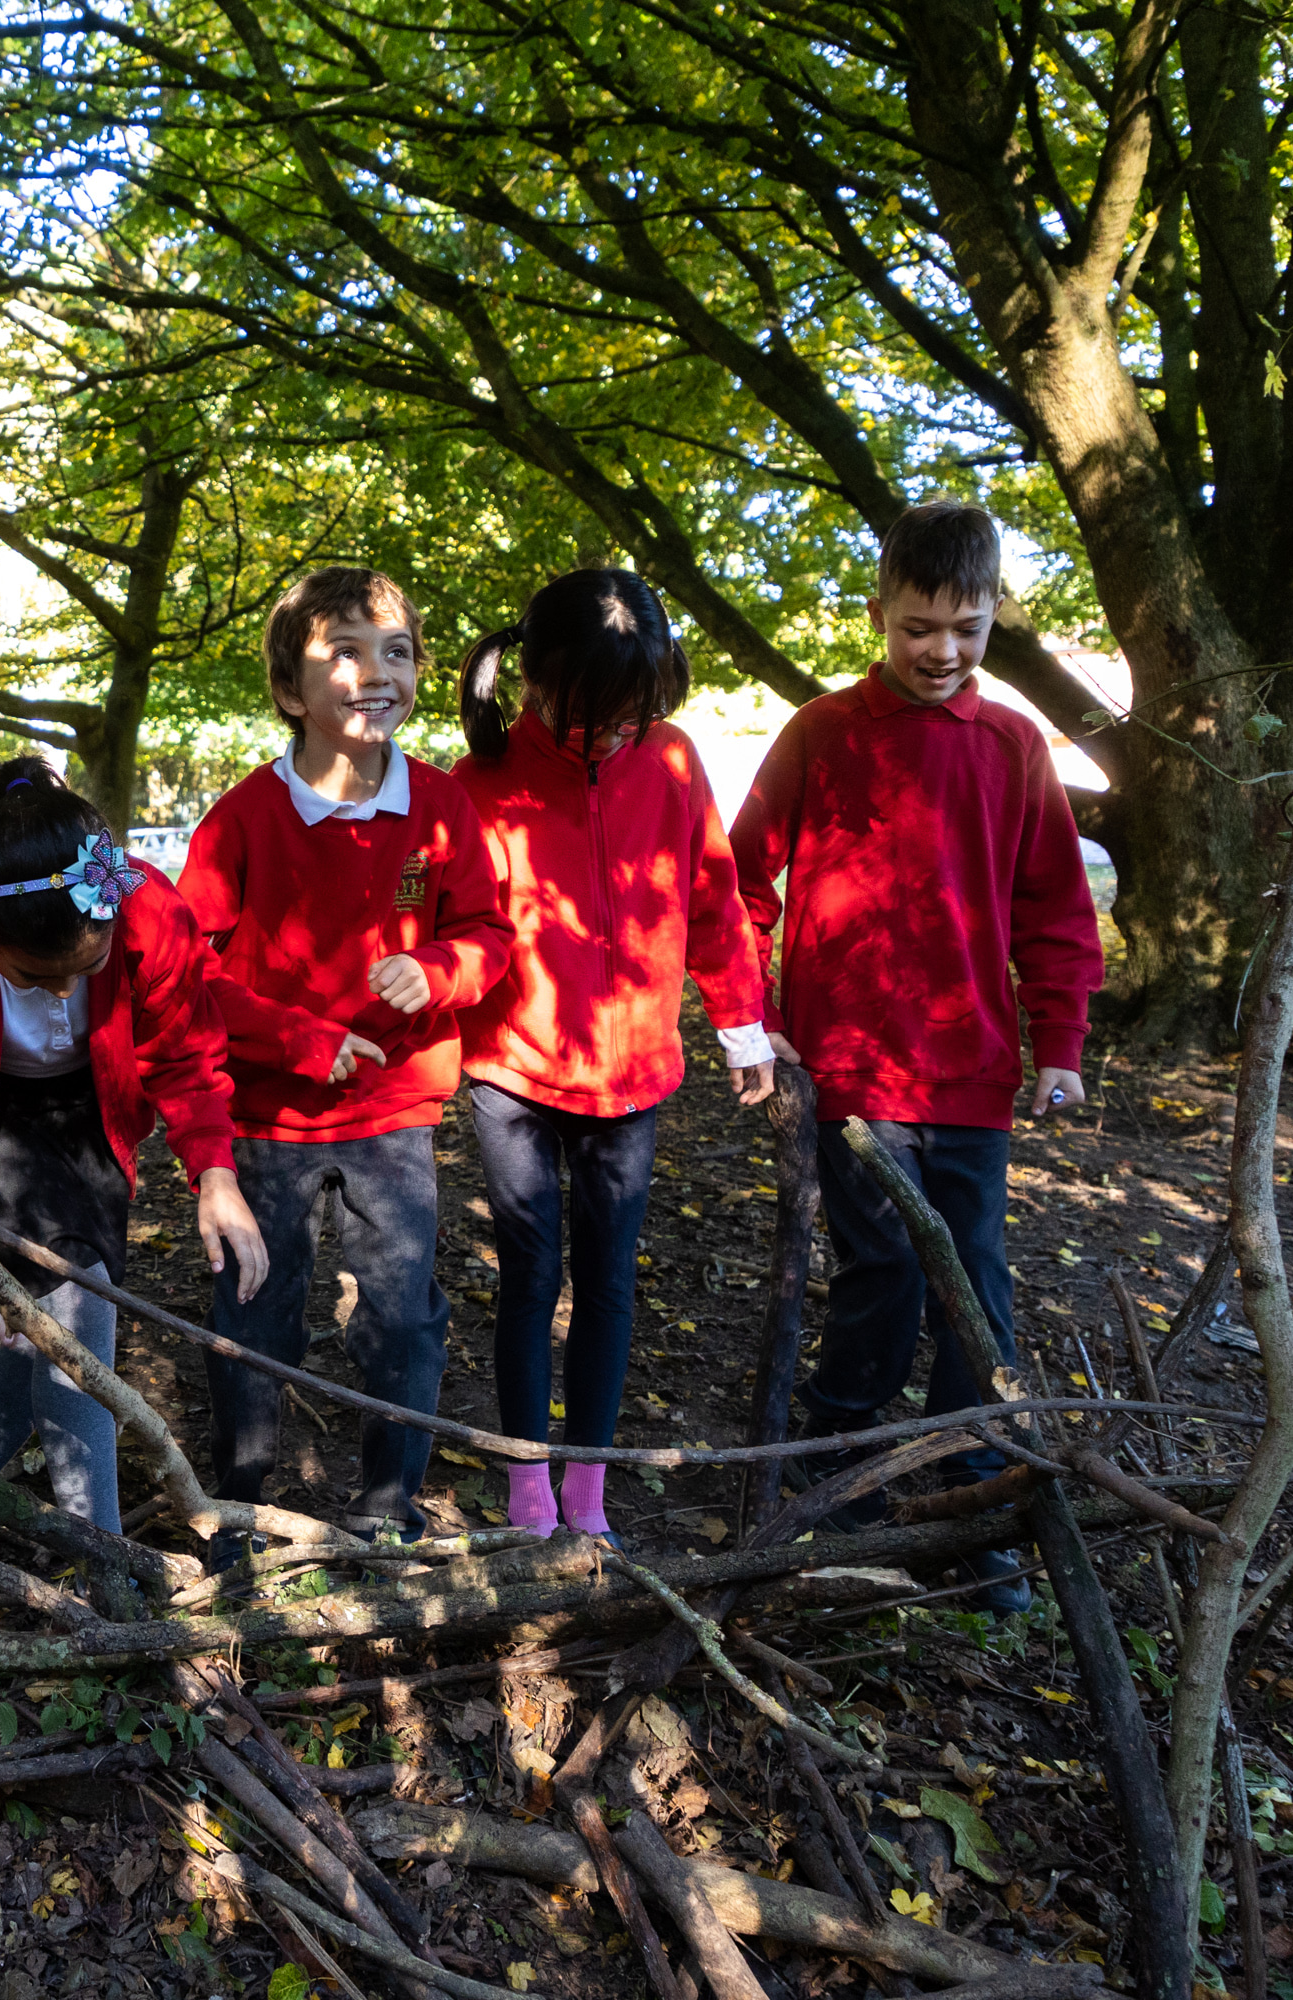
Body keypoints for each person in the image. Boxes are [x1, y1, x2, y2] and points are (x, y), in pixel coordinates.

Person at [727, 498, 1103, 1614]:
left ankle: (970, 1492)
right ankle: (839, 1471)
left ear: (996, 618)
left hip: (973, 1068)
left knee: (973, 1279)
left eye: (967, 629)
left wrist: (1060, 1040)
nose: (942, 651)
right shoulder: (822, 732)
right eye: (918, 627)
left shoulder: (1014, 745)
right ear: (879, 612)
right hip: (853, 1064)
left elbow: (1054, 906)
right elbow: (740, 881)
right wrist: (755, 1009)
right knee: (883, 1268)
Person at [0, 758, 266, 1603]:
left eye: (87, 966)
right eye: (34, 976)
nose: (65, 988)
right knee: (75, 1313)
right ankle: (107, 1570)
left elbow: (185, 1053)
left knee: (39, 1336)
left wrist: (215, 1171)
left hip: (91, 1118)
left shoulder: (145, 906)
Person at [178, 565, 514, 1552]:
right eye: (346, 653)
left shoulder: (442, 806)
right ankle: (238, 1509)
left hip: (394, 1112)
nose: (377, 673)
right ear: (292, 690)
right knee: (255, 1314)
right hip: (269, 1120)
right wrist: (299, 1038)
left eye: (397, 652)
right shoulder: (241, 820)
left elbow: (490, 933)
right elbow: (186, 974)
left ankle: (386, 1510)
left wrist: (441, 969)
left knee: (402, 1318)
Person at [449, 571, 774, 1544]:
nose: (617, 733)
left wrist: (742, 1022)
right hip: (511, 1073)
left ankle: (588, 1492)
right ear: (538, 683)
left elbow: (713, 896)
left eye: (636, 712)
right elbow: (447, 928)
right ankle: (528, 1489)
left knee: (609, 1282)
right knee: (528, 1276)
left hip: (631, 1080)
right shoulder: (478, 783)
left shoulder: (671, 760)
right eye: (597, 715)